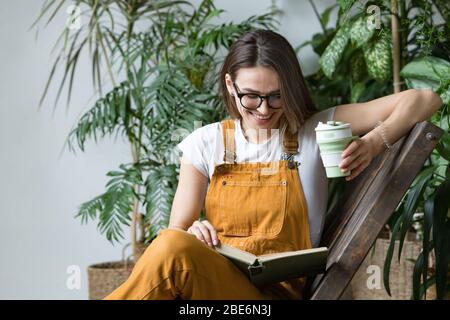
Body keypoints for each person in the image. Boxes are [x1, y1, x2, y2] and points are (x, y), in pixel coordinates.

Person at [104, 29, 443, 300]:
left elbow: (425, 99)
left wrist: (373, 141)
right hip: (211, 288)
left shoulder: (312, 131)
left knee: (171, 249)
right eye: (251, 96)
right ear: (229, 85)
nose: (264, 110)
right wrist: (194, 230)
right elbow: (177, 233)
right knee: (172, 245)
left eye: (276, 96)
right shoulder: (205, 143)